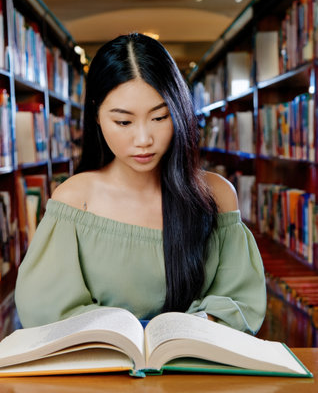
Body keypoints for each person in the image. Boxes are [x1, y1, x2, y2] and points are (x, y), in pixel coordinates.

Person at [15, 33, 266, 334]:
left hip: (197, 369)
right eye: (124, 122)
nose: (144, 140)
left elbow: (240, 301)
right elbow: (47, 310)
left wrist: (180, 333)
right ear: (96, 115)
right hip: (100, 372)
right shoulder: (75, 199)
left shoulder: (216, 195)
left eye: (160, 118)